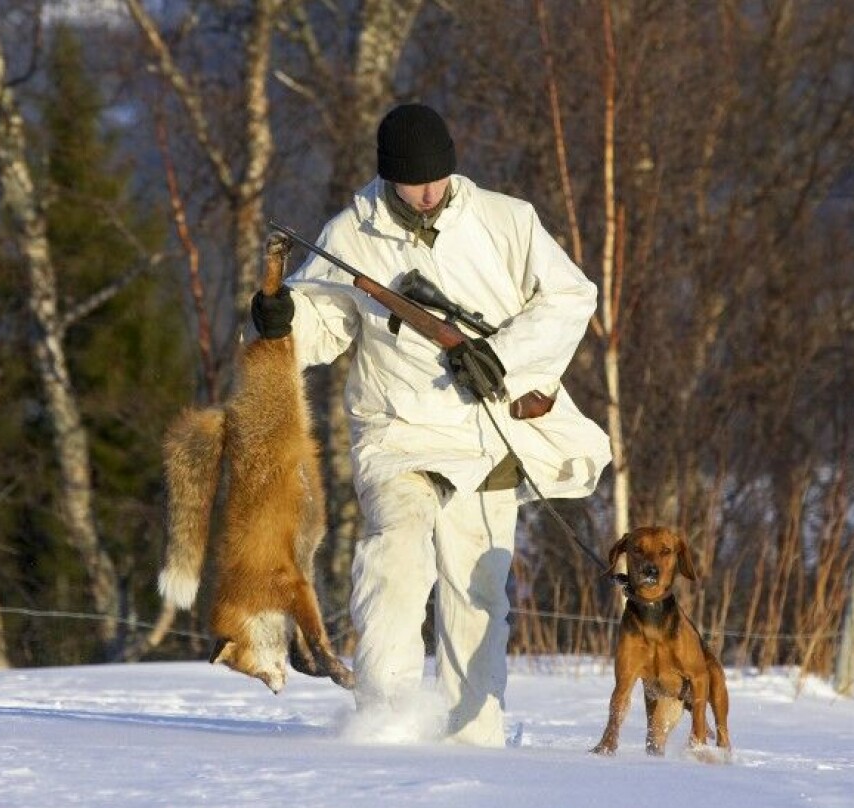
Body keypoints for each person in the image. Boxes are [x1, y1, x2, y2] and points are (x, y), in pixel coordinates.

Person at [251, 103, 611, 747]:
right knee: (396, 556)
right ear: (388, 177)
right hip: (398, 434)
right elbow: (325, 322)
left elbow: (571, 297)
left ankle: (474, 740)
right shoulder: (348, 236)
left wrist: (502, 357)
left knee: (476, 598)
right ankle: (384, 718)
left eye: (437, 179)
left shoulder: (508, 220)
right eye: (414, 182)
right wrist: (283, 322)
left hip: (489, 433)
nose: (428, 193)